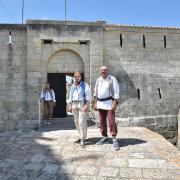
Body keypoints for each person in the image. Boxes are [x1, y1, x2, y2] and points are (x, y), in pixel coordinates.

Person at [94, 66, 120, 150]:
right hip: (100, 103)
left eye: (105, 70)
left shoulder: (112, 79)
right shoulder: (98, 80)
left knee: (111, 121)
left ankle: (114, 139)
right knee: (102, 121)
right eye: (102, 70)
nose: (103, 71)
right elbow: (95, 91)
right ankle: (104, 137)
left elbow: (116, 90)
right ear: (100, 71)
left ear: (107, 71)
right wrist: (95, 102)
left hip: (109, 103)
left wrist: (115, 102)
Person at [69, 72, 91, 147]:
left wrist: (86, 105)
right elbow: (70, 96)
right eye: (75, 76)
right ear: (74, 77)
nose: (77, 78)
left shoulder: (85, 85)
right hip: (74, 103)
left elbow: (88, 96)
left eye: (78, 76)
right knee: (76, 121)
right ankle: (80, 136)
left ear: (80, 77)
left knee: (82, 121)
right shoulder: (72, 86)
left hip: (81, 103)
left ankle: (82, 139)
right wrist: (70, 104)